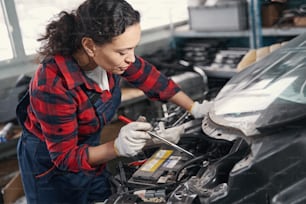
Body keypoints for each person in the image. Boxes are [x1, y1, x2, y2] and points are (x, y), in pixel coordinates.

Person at [16, 0, 210, 203]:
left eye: (133, 48)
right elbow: (65, 157)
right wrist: (117, 147)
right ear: (90, 46)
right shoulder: (53, 84)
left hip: (90, 149)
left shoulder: (111, 58)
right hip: (51, 165)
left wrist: (194, 107)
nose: (131, 59)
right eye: (122, 52)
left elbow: (153, 80)